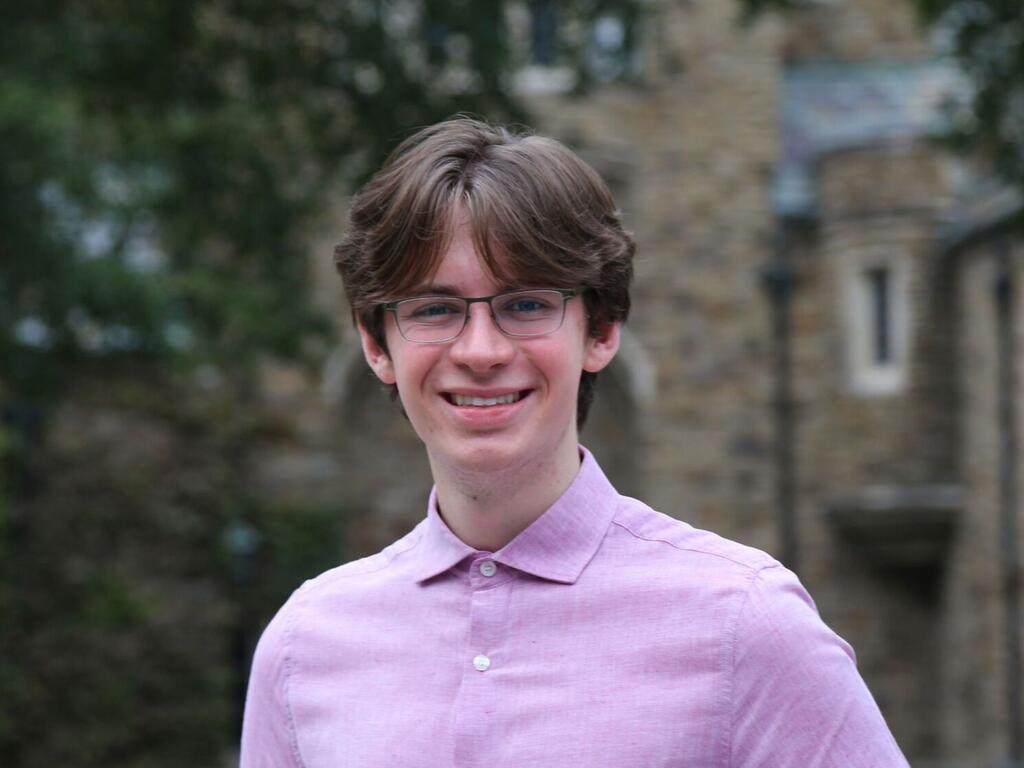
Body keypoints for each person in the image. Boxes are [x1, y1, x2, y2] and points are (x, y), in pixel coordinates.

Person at [239, 117, 909, 767]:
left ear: (601, 330)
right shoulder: (304, 648)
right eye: (434, 308)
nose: (480, 350)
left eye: (526, 304)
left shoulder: (743, 625)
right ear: (375, 344)